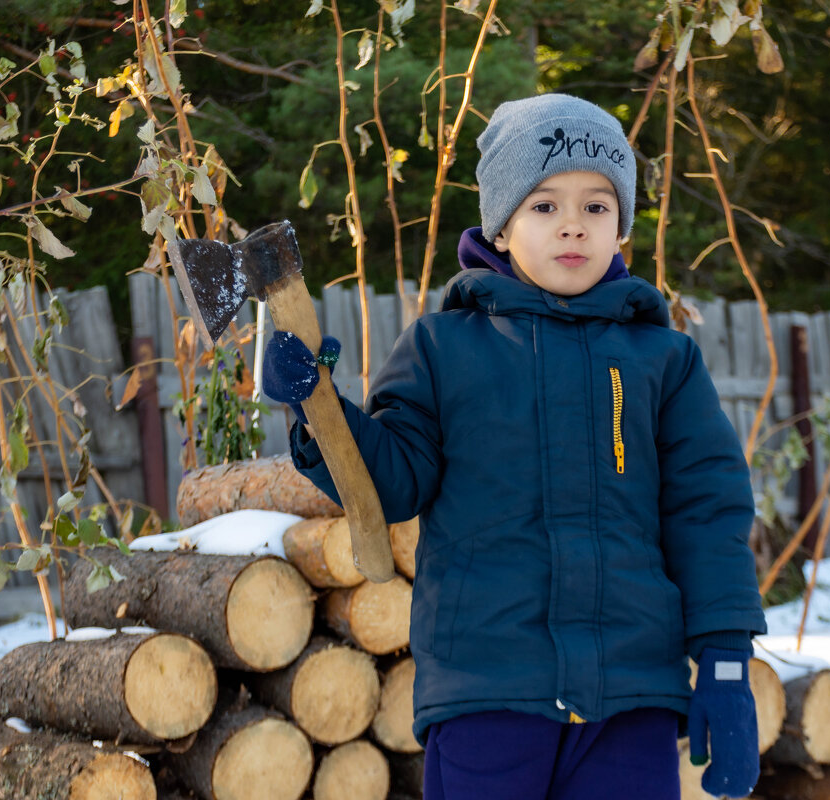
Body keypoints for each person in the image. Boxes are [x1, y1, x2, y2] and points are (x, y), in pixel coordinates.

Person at [262, 93, 767, 800]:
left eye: (596, 206)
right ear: (499, 228)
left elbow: (707, 516)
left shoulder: (662, 361)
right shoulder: (442, 349)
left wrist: (723, 664)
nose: (572, 225)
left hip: (630, 700)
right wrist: (319, 412)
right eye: (543, 205)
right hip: (487, 693)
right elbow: (394, 483)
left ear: (621, 225)